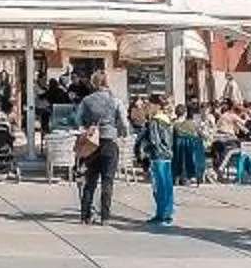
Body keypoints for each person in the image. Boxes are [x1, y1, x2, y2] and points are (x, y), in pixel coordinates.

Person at [75, 74, 126, 225]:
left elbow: (77, 119)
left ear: (93, 83)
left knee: (90, 180)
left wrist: (86, 127)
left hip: (92, 142)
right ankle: (105, 216)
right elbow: (124, 122)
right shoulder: (115, 100)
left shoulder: (86, 101)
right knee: (107, 181)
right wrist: (122, 133)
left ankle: (85, 215)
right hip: (109, 141)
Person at [138, 95, 178, 226]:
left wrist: (146, 151)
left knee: (159, 186)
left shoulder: (154, 121)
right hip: (167, 156)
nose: (147, 108)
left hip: (157, 156)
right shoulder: (167, 120)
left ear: (155, 106)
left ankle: (162, 215)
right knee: (167, 185)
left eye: (149, 105)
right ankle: (168, 212)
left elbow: (154, 140)